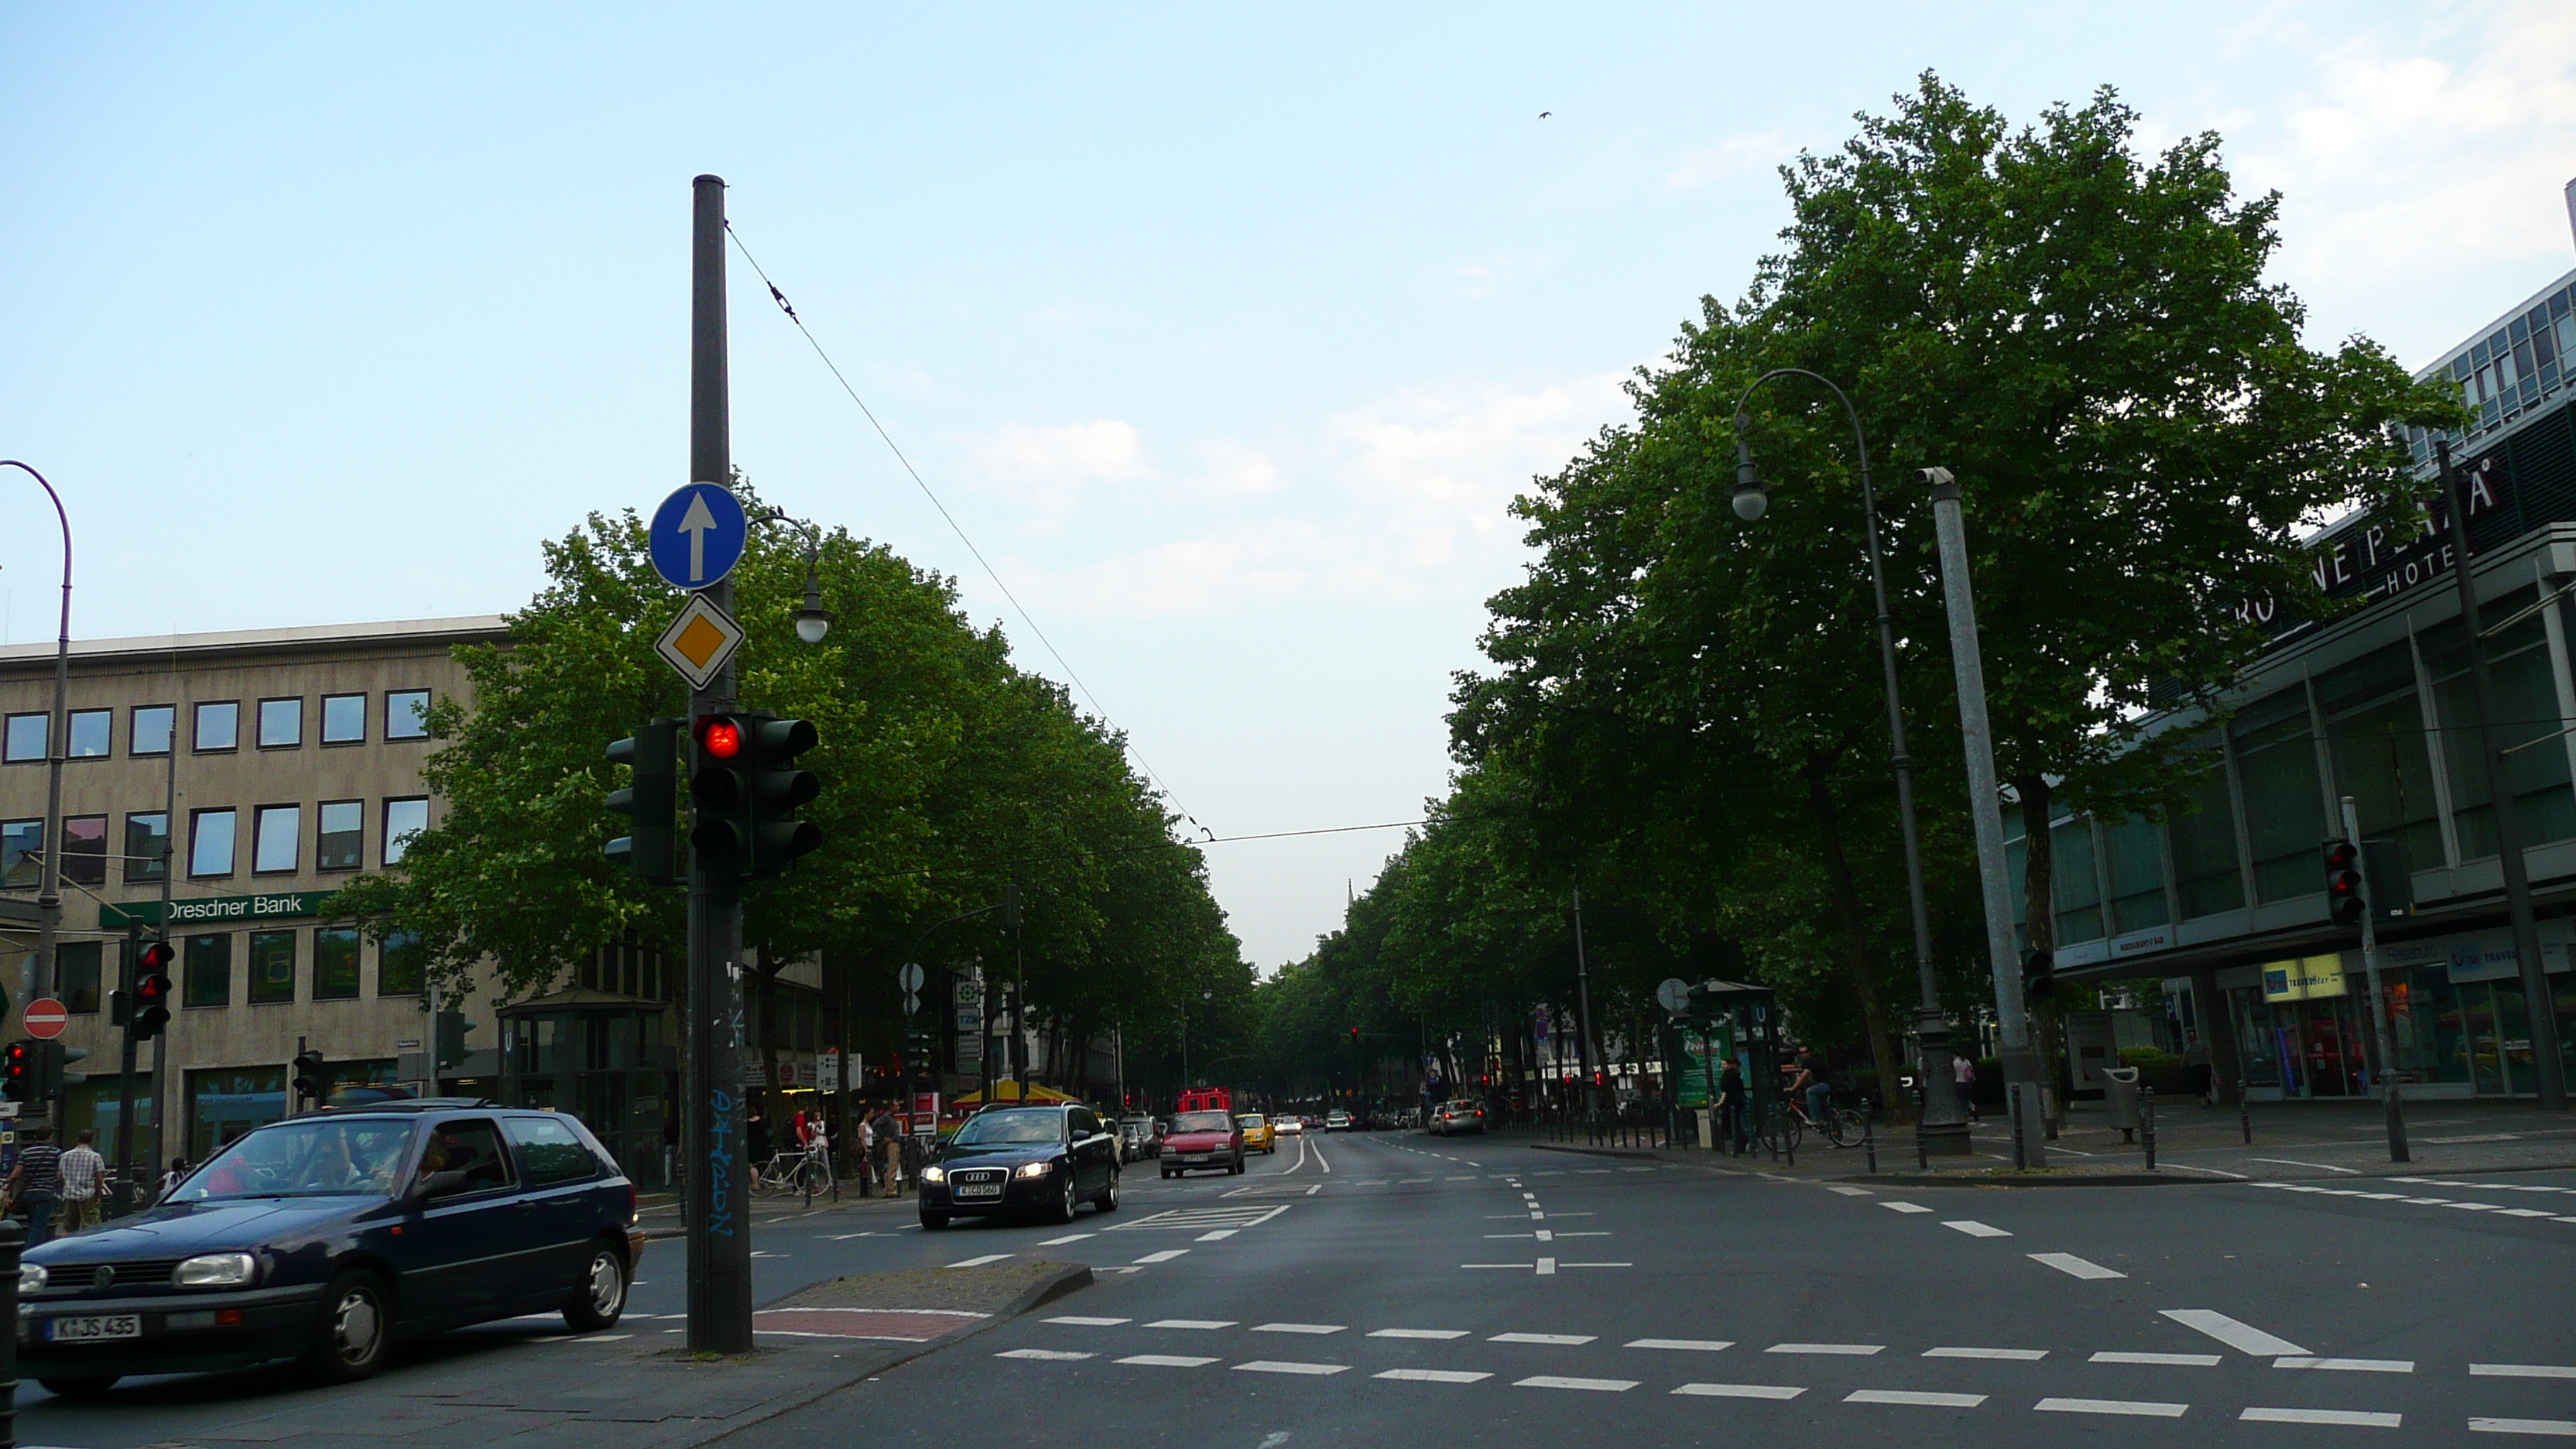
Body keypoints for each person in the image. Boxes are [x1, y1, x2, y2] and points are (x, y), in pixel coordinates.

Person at [7, 1126, 63, 1246]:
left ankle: (28, 1247)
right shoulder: (56, 1153)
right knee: (39, 1227)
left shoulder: (26, 1153)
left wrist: (8, 1187)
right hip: (45, 1193)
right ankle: (29, 1252)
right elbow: (60, 1174)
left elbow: (16, 1173)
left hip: (29, 1194)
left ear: (35, 1137)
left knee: (32, 1224)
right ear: (49, 1137)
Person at [57, 1129, 104, 1231]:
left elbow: (59, 1176)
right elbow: (99, 1178)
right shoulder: (95, 1157)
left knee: (70, 1228)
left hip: (70, 1194)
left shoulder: (65, 1156)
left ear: (77, 1139)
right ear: (91, 1141)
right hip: (87, 1195)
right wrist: (98, 1195)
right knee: (91, 1226)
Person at [1714, 1058, 1747, 1156]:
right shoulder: (1736, 1075)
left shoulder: (1727, 1076)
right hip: (1738, 1101)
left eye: (1724, 1064)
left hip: (1730, 1102)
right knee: (1736, 1123)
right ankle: (1741, 1142)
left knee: (1729, 1123)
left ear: (1729, 1065)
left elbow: (1725, 1090)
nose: (1722, 1066)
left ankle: (1740, 1143)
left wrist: (1720, 1102)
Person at [2184, 1036, 2214, 1106]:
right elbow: (2209, 1054)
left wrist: (2183, 1065)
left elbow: (2185, 1057)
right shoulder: (2203, 1044)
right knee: (2207, 1081)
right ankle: (2208, 1096)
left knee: (2198, 1084)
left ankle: (2202, 1101)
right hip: (2205, 1065)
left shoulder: (2188, 1047)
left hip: (2195, 1067)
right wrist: (2211, 1062)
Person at [1953, 1052, 1981, 1124]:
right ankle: (1973, 1108)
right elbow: (1972, 1070)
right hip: (1967, 1083)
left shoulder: (1955, 1063)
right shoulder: (1966, 1061)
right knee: (1968, 1099)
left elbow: (1954, 1073)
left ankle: (1965, 1116)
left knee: (1961, 1100)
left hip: (1959, 1082)